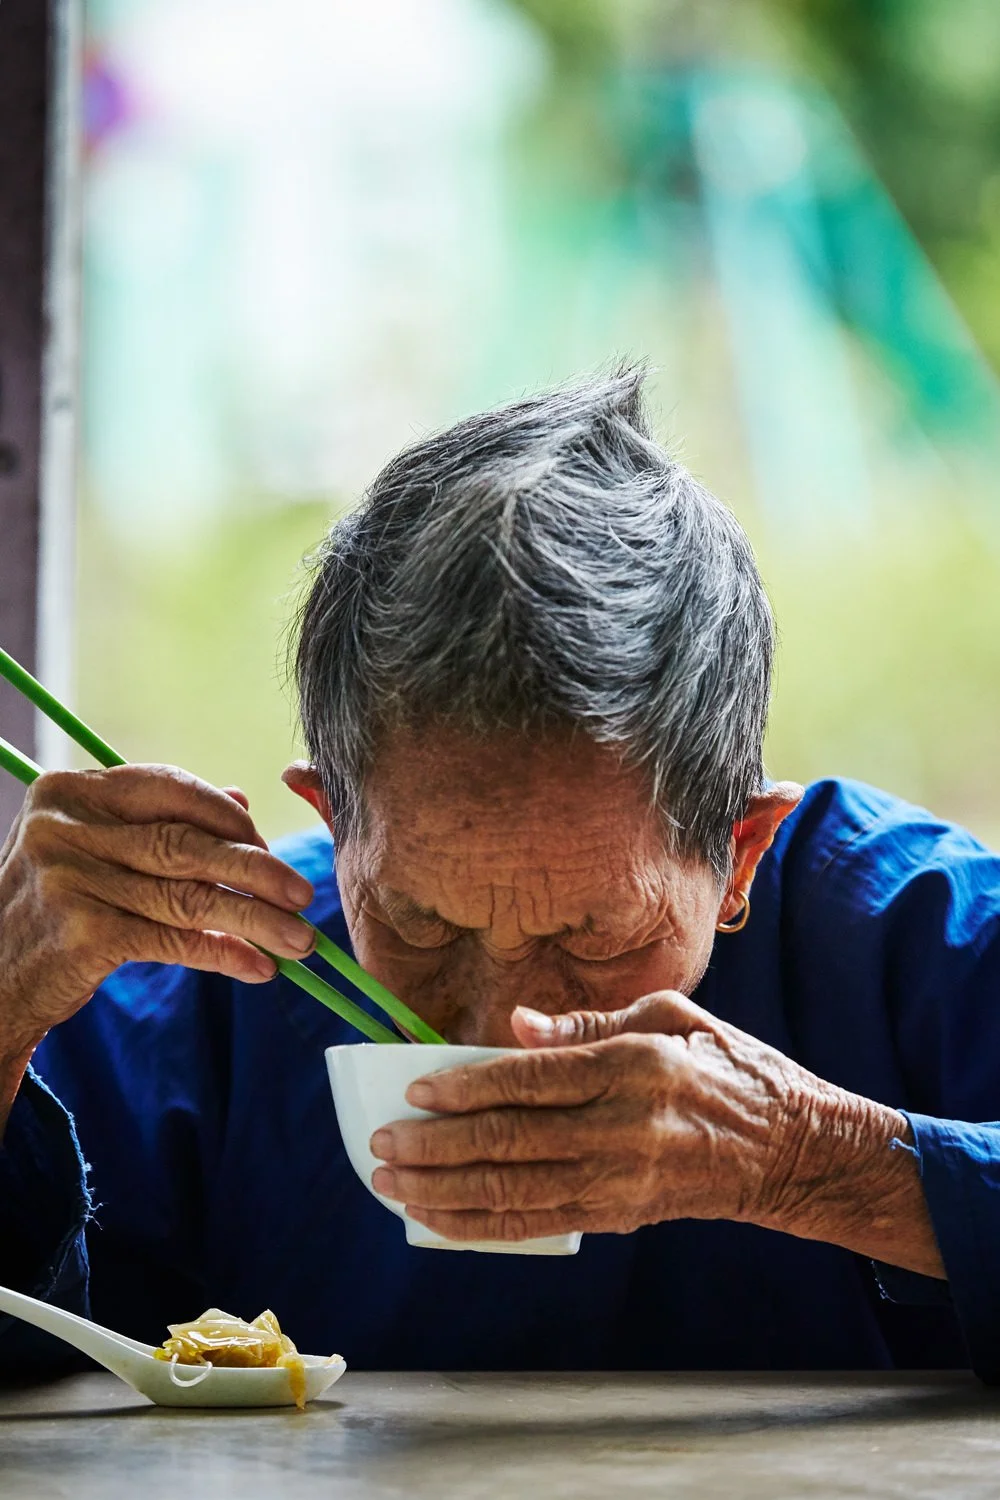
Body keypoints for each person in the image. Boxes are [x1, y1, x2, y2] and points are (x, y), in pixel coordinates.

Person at [1, 368, 998, 1379]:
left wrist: (812, 1163)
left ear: (738, 853)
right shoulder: (209, 989)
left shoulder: (908, 930)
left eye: (590, 937)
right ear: (333, 823)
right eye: (422, 926)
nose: (496, 1032)